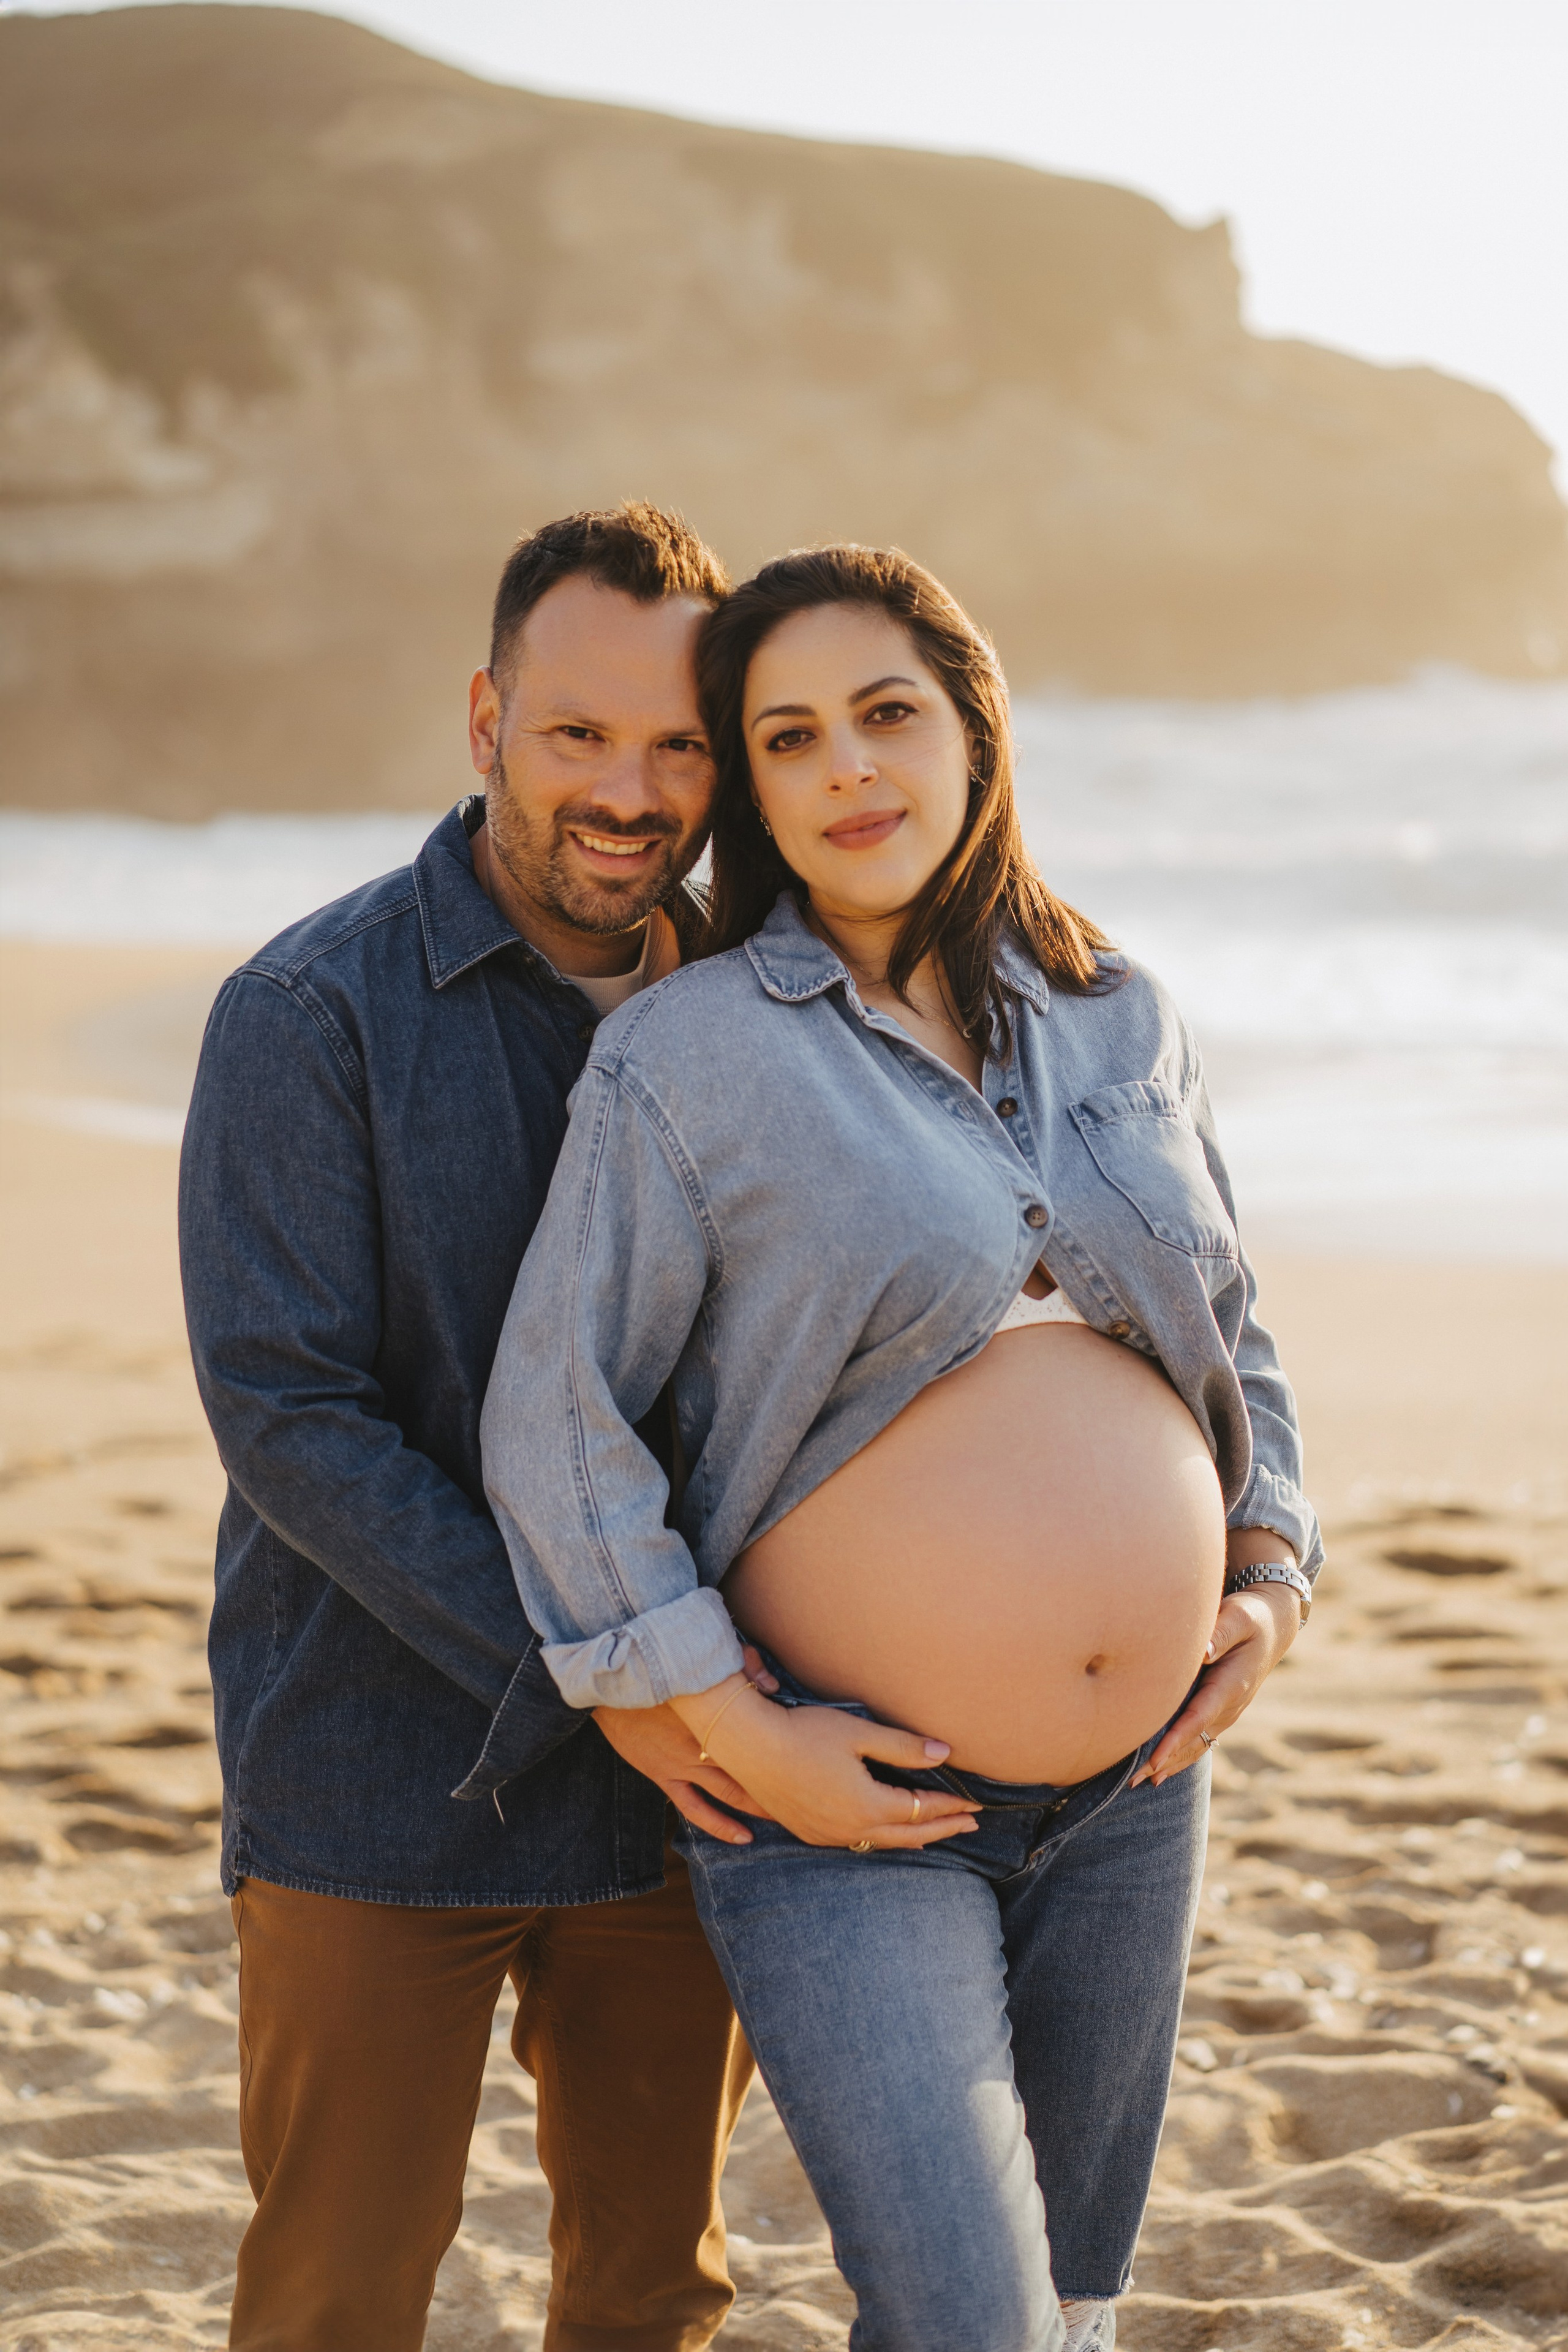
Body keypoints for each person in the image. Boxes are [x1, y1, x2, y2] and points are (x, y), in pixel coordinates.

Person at [481, 544, 1322, 2352]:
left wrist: (1272, 1579)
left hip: (1143, 1789)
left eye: (887, 716)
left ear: (973, 732)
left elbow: (1229, 1327)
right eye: (788, 740)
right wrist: (720, 1710)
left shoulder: (1120, 1009)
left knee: (1071, 2312)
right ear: (754, 792)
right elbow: (558, 1411)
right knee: (968, 2320)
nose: (849, 770)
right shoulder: (689, 1053)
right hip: (844, 1811)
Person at [178, 502, 780, 2352]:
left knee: (648, 2297)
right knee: (337, 2300)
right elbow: (291, 1416)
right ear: (483, 721)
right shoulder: (309, 1012)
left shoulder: (773, 1014)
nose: (630, 788)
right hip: (382, 1773)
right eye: (577, 733)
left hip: (696, 1794)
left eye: (679, 742)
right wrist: (615, 1670)